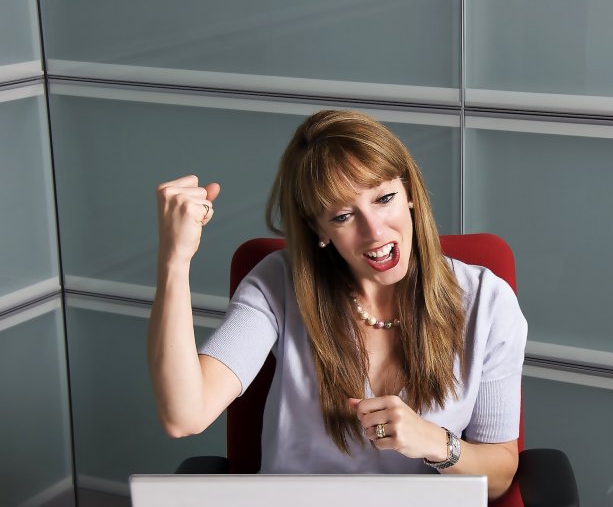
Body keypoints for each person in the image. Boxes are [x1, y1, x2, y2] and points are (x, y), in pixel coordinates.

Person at [148, 110, 527, 499]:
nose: (374, 231)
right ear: (318, 229)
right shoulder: (278, 282)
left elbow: (498, 476)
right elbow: (184, 415)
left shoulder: (487, 302)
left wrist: (434, 442)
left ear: (410, 191)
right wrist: (174, 260)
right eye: (344, 215)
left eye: (384, 198)